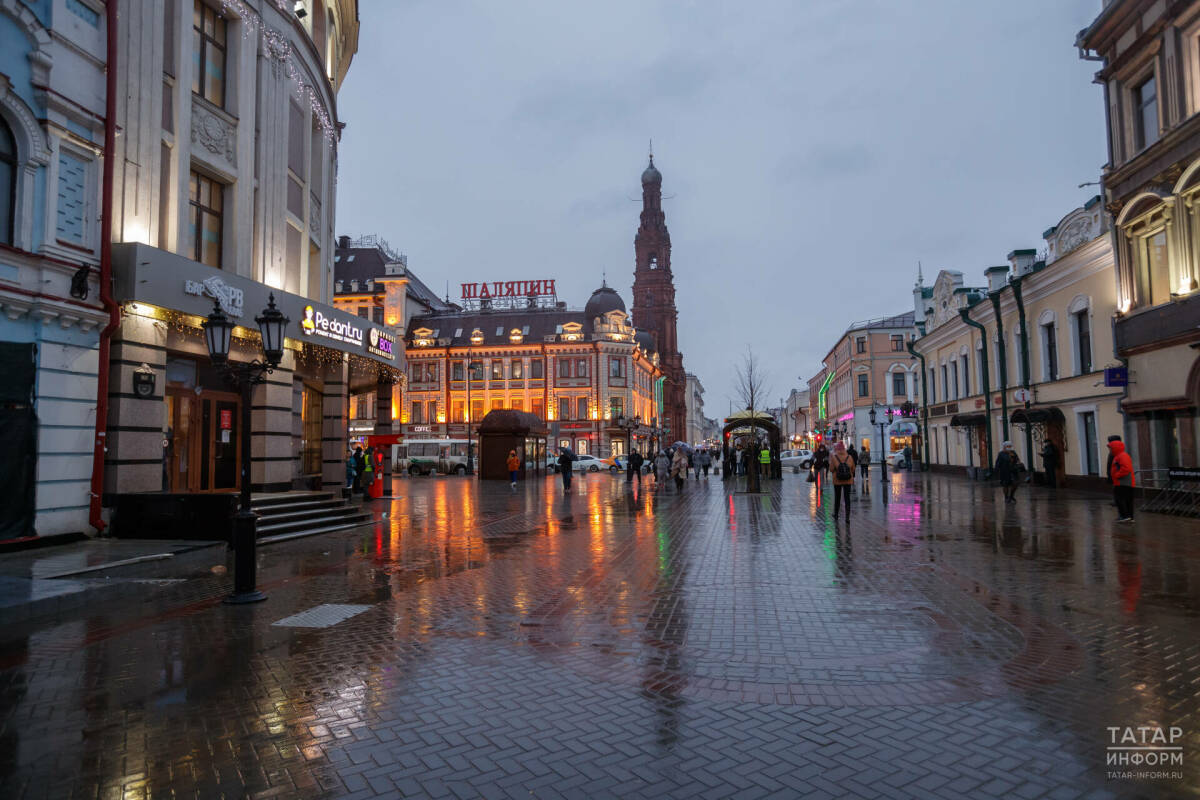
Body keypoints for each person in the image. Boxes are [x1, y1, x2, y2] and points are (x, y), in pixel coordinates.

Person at [1109, 439, 1135, 522]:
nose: (1110, 450)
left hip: (1122, 482)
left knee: (1120, 499)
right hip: (1124, 482)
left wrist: (1116, 475)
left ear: (1115, 448)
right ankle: (1129, 517)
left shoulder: (1121, 456)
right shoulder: (1119, 456)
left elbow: (1126, 468)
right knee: (1127, 500)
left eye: (1111, 448)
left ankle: (1125, 516)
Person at [829, 442, 856, 523]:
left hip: (837, 480)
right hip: (848, 480)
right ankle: (847, 517)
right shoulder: (849, 457)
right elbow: (853, 468)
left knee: (837, 497)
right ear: (844, 449)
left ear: (837, 449)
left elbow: (831, 469)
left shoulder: (834, 457)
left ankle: (836, 514)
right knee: (847, 498)